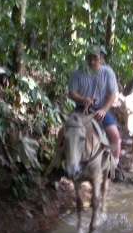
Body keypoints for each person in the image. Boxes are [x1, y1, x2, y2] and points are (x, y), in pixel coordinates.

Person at [48, 45, 123, 182]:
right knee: (62, 133)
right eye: (89, 58)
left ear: (101, 58)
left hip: (100, 110)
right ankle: (57, 166)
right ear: (86, 58)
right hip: (81, 109)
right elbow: (71, 93)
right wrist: (83, 99)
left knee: (115, 135)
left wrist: (104, 109)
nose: (92, 61)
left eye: (95, 58)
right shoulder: (77, 73)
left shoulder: (108, 72)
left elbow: (112, 94)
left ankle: (115, 167)